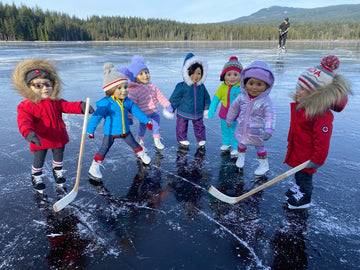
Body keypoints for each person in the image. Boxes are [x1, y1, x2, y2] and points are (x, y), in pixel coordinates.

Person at [13, 58, 94, 192]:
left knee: (59, 155)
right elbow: (24, 121)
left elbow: (68, 106)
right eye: (38, 86)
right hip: (40, 139)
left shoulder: (55, 101)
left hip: (58, 136)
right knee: (39, 158)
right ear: (28, 88)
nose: (45, 88)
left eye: (47, 84)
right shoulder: (27, 106)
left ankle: (58, 171)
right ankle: (36, 176)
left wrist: (81, 107)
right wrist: (28, 133)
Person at [284, 55, 352, 209]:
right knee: (298, 173)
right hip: (299, 150)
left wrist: (317, 159)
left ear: (316, 94)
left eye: (303, 89)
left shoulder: (321, 115)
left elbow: (323, 140)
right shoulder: (303, 107)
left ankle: (305, 196)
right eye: (298, 87)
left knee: (305, 175)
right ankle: (299, 188)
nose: (298, 92)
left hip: (308, 156)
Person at [87, 63, 153, 181]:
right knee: (104, 149)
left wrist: (146, 121)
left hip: (125, 131)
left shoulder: (127, 101)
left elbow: (136, 111)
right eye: (119, 88)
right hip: (110, 132)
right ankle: (94, 167)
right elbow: (96, 117)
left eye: (125, 87)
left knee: (134, 144)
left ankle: (142, 155)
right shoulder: (106, 103)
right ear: (111, 89)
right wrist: (90, 130)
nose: (124, 91)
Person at [226, 60, 275, 176]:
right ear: (245, 83)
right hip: (242, 127)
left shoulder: (266, 101)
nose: (254, 88)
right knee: (241, 143)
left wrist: (269, 130)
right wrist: (229, 118)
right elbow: (234, 108)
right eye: (251, 83)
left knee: (260, 147)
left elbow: (270, 116)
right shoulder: (242, 97)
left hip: (257, 130)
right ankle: (241, 158)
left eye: (259, 84)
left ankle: (264, 164)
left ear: (266, 86)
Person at [118, 55, 174, 150]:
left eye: (146, 72)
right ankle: (139, 140)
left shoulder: (152, 86)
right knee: (143, 129)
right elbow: (131, 106)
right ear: (134, 77)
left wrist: (167, 105)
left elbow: (160, 96)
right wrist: (129, 118)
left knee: (156, 126)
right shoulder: (134, 91)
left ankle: (157, 140)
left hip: (155, 111)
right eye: (141, 74)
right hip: (143, 115)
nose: (146, 75)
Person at [169, 53, 211, 147]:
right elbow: (175, 98)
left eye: (199, 73)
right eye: (193, 72)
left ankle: (201, 138)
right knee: (181, 125)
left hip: (198, 112)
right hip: (184, 111)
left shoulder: (202, 87)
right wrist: (171, 108)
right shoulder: (182, 86)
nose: (196, 76)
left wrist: (207, 109)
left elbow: (206, 98)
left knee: (199, 125)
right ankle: (182, 138)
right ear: (187, 72)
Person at [208, 56, 243, 156]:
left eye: (235, 74)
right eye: (229, 74)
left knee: (236, 132)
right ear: (224, 75)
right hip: (224, 114)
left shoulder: (242, 89)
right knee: (225, 130)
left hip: (237, 116)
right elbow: (215, 100)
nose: (232, 77)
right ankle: (226, 143)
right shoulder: (222, 87)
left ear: (241, 76)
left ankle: (236, 147)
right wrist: (211, 111)